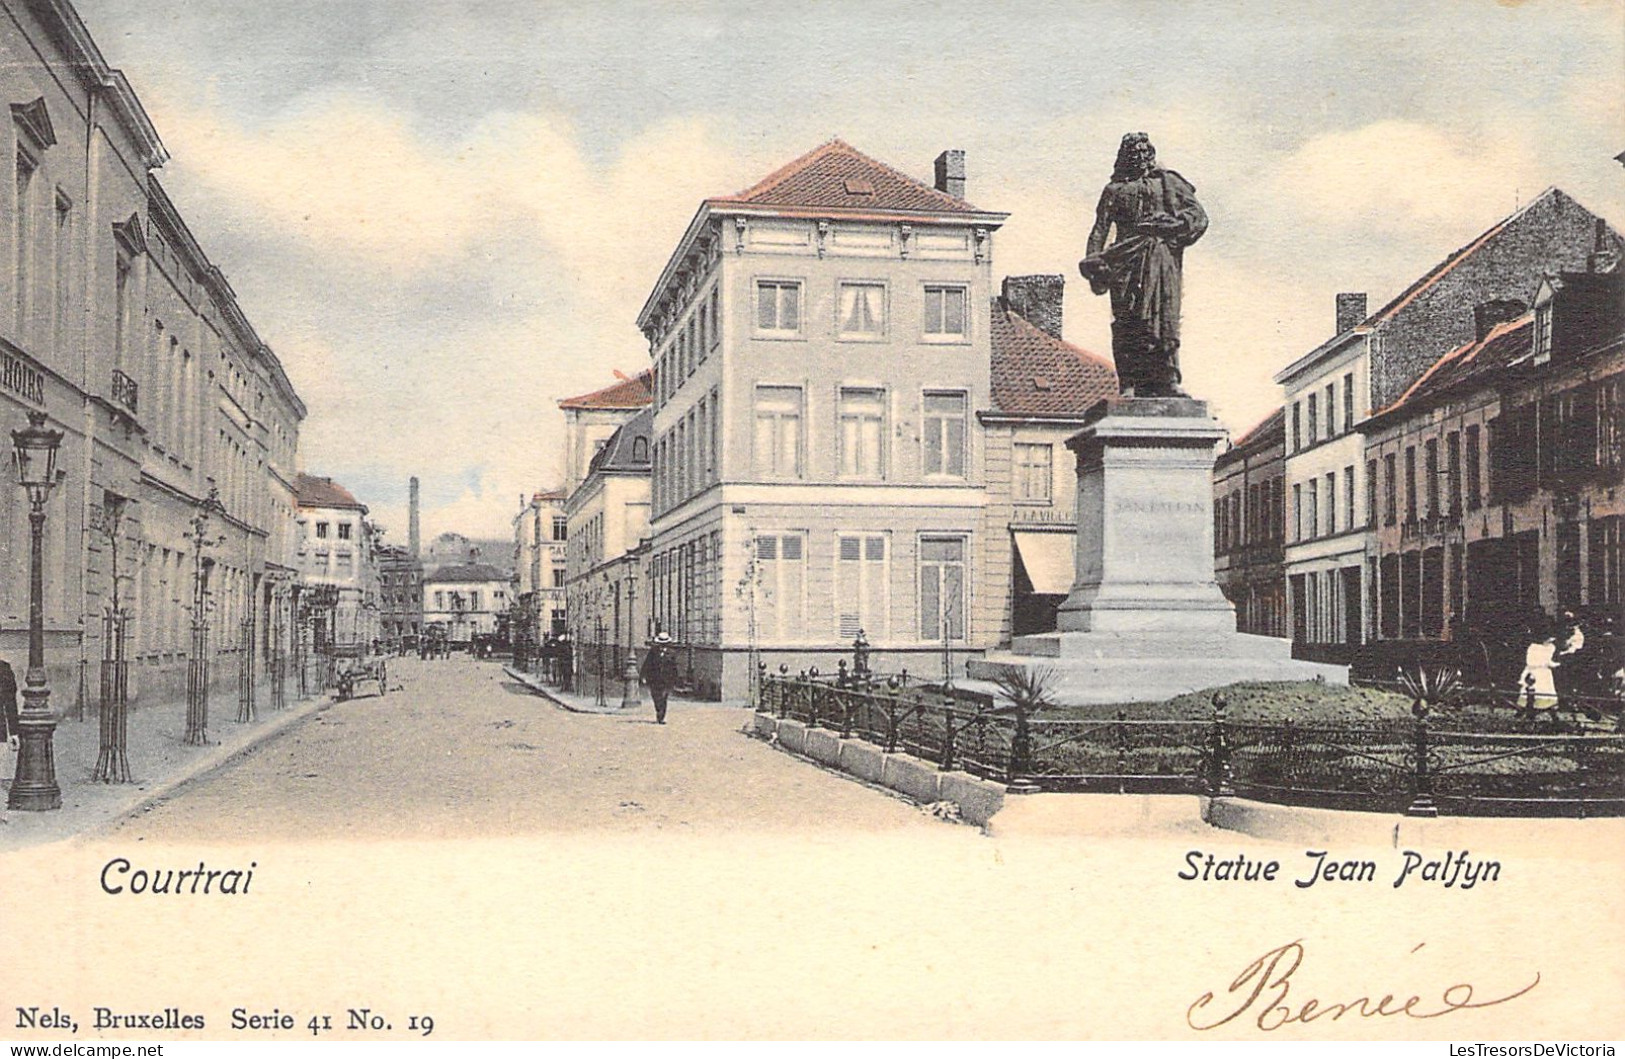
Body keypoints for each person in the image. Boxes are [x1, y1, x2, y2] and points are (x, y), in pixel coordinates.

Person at [1079, 132, 1209, 398]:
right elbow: (1099, 230)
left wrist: (1174, 225)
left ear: (1150, 155)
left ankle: (1169, 379)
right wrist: (1093, 260)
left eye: (1143, 152)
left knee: (1165, 318)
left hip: (1161, 258)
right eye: (1133, 153)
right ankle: (1129, 382)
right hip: (1125, 262)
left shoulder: (1169, 182)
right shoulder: (1114, 190)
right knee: (1128, 319)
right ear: (1124, 158)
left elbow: (1198, 216)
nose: (1138, 157)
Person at [1519, 627, 1560, 719]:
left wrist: (1554, 664)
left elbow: (1548, 661)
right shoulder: (1534, 647)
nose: (1550, 642)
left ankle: (1549, 711)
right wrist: (1545, 664)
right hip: (1535, 672)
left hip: (1545, 673)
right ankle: (1527, 710)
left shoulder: (1551, 648)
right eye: (1549, 639)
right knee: (1533, 690)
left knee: (1547, 691)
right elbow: (1531, 662)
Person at [640, 633, 679, 724]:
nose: (663, 645)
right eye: (661, 643)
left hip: (666, 679)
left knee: (664, 697)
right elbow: (647, 664)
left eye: (664, 644)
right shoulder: (653, 652)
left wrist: (675, 679)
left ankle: (661, 717)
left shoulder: (671, 653)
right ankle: (658, 710)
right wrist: (643, 676)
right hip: (654, 679)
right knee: (656, 697)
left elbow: (674, 668)